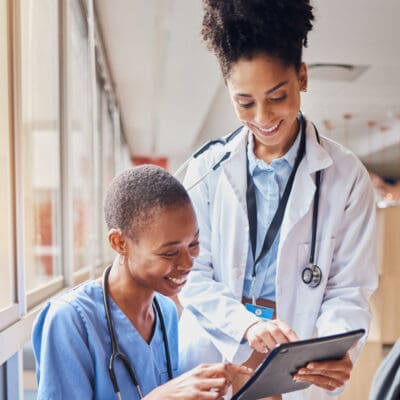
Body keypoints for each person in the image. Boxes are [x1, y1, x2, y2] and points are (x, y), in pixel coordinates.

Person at [178, 1, 378, 399]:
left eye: (277, 95)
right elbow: (192, 275)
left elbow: (348, 288)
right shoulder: (205, 170)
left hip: (300, 365)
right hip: (217, 355)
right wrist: (245, 325)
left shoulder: (346, 176)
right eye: (245, 102)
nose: (263, 116)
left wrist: (335, 347)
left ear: (301, 77)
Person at [32, 165, 252, 400]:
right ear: (119, 243)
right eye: (170, 253)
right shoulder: (70, 319)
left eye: (194, 244)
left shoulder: (165, 312)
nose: (188, 263)